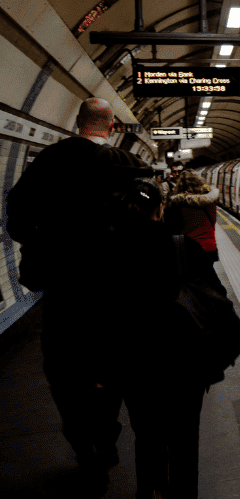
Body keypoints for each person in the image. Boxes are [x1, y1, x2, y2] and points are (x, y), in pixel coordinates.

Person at [5, 97, 150, 493]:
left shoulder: (48, 162)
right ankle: (105, 438)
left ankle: (85, 448)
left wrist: (45, 241)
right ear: (113, 125)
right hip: (117, 297)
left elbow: (16, 218)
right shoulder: (130, 167)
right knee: (111, 369)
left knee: (65, 373)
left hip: (65, 295)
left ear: (77, 120)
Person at [102, 177, 228, 499]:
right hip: (184, 364)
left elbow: (96, 316)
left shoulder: (106, 251)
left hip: (134, 367)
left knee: (147, 437)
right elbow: (216, 301)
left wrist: (101, 371)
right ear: (160, 209)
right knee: (185, 441)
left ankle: (152, 492)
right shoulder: (183, 246)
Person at [166, 169, 220, 263]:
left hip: (186, 247)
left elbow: (174, 227)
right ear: (199, 181)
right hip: (208, 245)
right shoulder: (208, 200)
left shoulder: (177, 203)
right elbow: (212, 221)